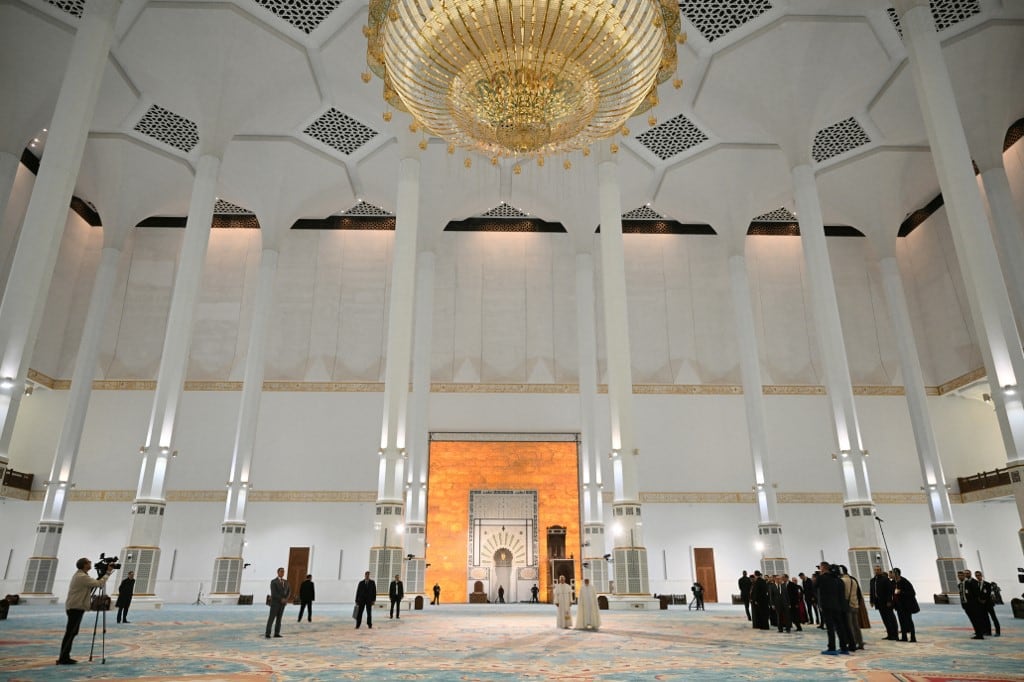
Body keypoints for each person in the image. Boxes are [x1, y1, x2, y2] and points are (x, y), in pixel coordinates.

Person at [57, 557, 113, 665]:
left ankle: (65, 656)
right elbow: (99, 584)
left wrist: (103, 574)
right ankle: (63, 657)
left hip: (76, 606)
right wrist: (107, 573)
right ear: (84, 565)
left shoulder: (82, 575)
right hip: (76, 607)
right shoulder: (81, 576)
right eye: (88, 562)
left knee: (72, 632)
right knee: (70, 633)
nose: (91, 563)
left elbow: (94, 584)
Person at [817, 561, 854, 655]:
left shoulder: (822, 578)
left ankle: (832, 648)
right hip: (838, 606)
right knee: (840, 627)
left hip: (827, 606)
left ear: (824, 568)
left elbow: (815, 587)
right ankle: (844, 647)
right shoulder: (839, 580)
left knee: (830, 628)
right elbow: (842, 595)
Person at [838, 565, 864, 650]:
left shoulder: (842, 581)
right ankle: (860, 643)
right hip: (855, 604)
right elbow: (858, 593)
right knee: (856, 625)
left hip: (847, 605)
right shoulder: (853, 580)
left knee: (850, 626)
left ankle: (852, 643)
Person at [870, 565, 898, 640]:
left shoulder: (885, 579)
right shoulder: (872, 580)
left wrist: (889, 601)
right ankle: (889, 634)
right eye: (875, 570)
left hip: (886, 602)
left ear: (881, 571)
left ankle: (895, 635)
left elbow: (889, 591)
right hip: (878, 603)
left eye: (878, 570)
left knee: (891, 618)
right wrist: (872, 601)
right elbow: (872, 591)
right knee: (885, 619)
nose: (877, 571)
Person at [891, 567, 917, 643]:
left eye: (893, 573)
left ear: (897, 574)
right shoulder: (893, 582)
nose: (892, 574)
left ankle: (913, 638)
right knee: (901, 621)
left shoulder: (905, 581)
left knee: (909, 622)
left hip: (907, 606)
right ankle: (904, 637)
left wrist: (901, 592)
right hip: (899, 606)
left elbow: (912, 593)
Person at [266, 567, 290, 638]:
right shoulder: (273, 582)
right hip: (275, 603)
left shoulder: (286, 582)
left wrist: (286, 599)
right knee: (271, 619)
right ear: (278, 572)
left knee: (279, 619)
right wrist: (281, 599)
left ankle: (277, 633)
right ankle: (268, 633)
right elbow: (274, 593)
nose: (282, 573)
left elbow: (289, 591)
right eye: (281, 571)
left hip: (283, 604)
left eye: (283, 572)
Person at [976, 571, 1000, 637]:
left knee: (994, 618)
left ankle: (998, 631)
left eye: (979, 575)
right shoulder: (976, 585)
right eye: (976, 575)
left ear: (981, 576)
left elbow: (989, 593)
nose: (978, 577)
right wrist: (980, 600)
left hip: (988, 604)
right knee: (985, 618)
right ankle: (988, 631)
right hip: (981, 605)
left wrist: (985, 600)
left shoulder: (987, 584)